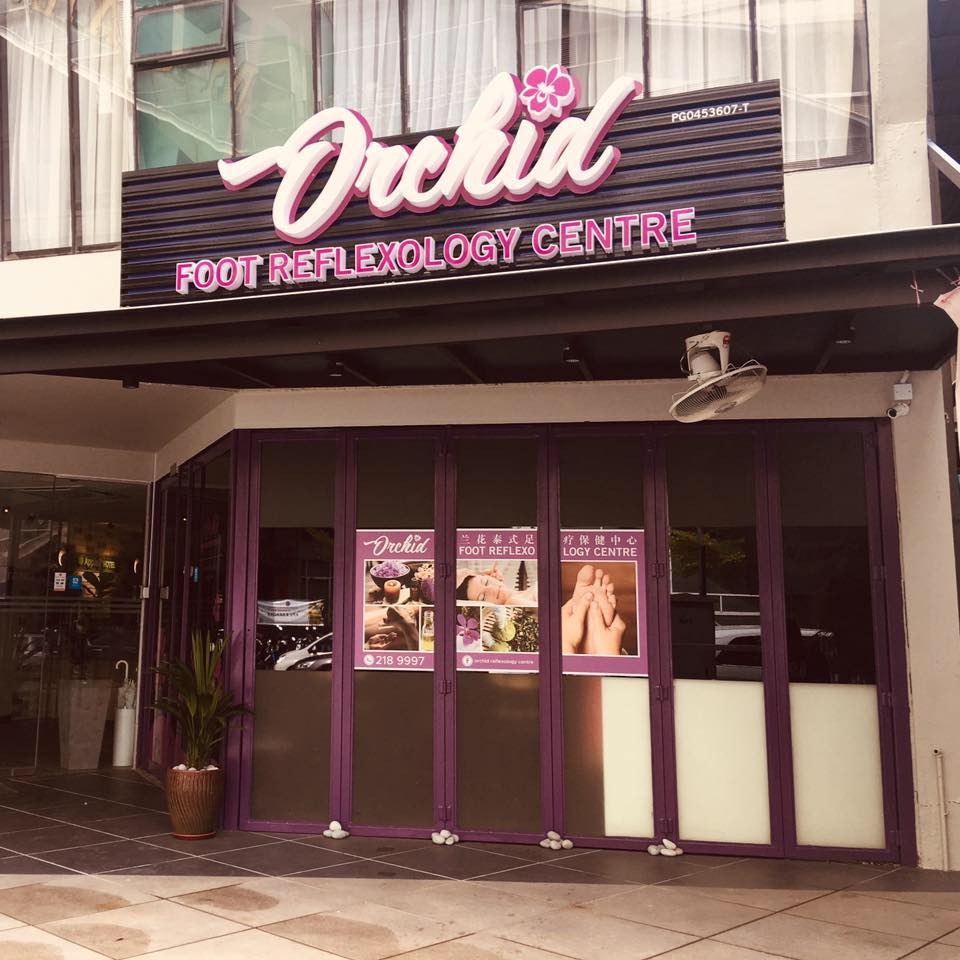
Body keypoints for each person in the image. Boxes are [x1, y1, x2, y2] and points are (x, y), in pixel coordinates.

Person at [562, 564, 627, 655]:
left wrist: (565, 644)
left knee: (561, 649)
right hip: (608, 658)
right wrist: (610, 651)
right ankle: (595, 650)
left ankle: (577, 649)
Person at [455, 562, 537, 605]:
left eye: (486, 582)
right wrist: (466, 572)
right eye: (482, 597)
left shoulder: (533, 588)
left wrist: (476, 573)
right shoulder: (513, 602)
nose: (491, 589)